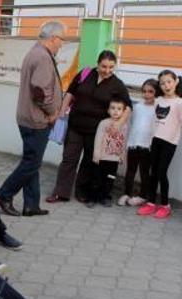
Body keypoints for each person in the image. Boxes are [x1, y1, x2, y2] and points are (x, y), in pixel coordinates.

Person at [0, 21, 66, 217]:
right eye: (61, 40)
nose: (62, 44)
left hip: (29, 117)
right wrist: (53, 112)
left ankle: (31, 205)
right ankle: (4, 195)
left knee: (32, 162)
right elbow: (40, 92)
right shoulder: (43, 57)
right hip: (37, 120)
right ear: (53, 38)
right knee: (31, 164)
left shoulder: (36, 52)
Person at [46, 50, 132, 205]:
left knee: (88, 161)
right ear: (97, 63)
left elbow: (128, 107)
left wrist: (118, 124)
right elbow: (71, 93)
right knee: (69, 159)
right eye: (104, 66)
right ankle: (60, 193)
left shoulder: (117, 84)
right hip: (75, 126)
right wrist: (61, 112)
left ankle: (82, 192)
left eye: (111, 67)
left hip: (97, 131)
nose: (107, 70)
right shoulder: (85, 73)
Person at [137, 70, 182, 219]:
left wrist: (171, 131)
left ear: (175, 81)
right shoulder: (158, 100)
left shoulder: (179, 102)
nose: (166, 85)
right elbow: (154, 120)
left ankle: (165, 205)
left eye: (169, 82)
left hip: (170, 142)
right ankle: (151, 203)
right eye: (163, 83)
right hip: (156, 140)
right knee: (153, 172)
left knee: (161, 172)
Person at [119, 79, 158, 206]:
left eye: (151, 92)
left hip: (148, 146)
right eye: (144, 91)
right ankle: (126, 193)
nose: (147, 94)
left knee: (144, 172)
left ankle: (143, 195)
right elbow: (132, 124)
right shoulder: (137, 107)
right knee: (130, 170)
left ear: (157, 92)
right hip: (134, 143)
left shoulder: (158, 109)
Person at [90, 96, 130, 207]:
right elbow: (98, 138)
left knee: (110, 178)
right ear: (108, 110)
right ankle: (93, 198)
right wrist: (96, 153)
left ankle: (105, 197)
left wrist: (122, 155)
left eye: (119, 109)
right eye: (113, 108)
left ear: (123, 111)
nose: (116, 111)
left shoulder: (124, 126)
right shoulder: (104, 123)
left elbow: (124, 141)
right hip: (102, 158)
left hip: (114, 159)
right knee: (97, 179)